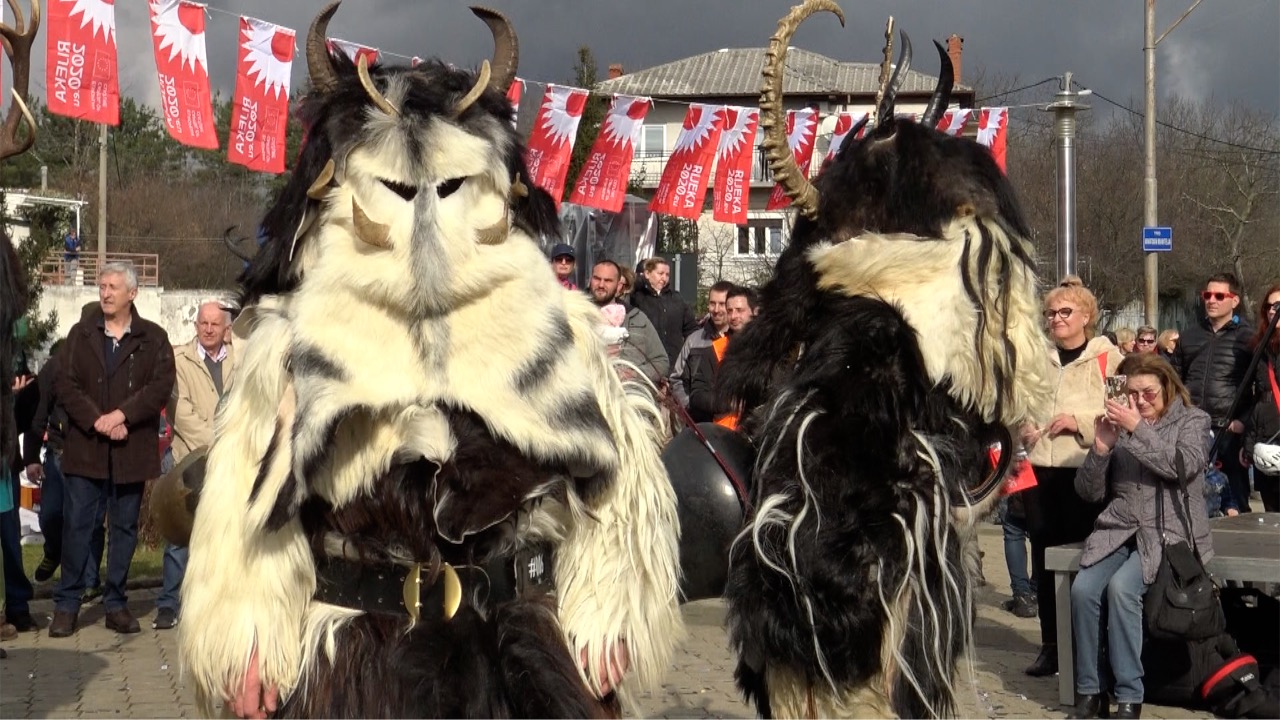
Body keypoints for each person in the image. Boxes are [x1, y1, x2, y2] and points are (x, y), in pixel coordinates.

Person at [1068, 352, 1212, 719]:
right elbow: (1087, 493)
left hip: (1169, 532)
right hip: (1119, 529)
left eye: (1148, 392)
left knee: (1122, 589)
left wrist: (1138, 429)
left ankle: (1129, 696)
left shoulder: (1193, 420)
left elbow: (1183, 466)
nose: (1139, 401)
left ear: (1167, 387)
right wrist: (1100, 450)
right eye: (1130, 393)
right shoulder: (1120, 424)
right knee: (1083, 590)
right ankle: (1090, 691)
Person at [49, 262, 176, 638]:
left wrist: (122, 414)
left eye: (113, 287)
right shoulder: (81, 334)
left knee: (123, 529)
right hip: (85, 451)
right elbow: (65, 385)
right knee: (77, 527)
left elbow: (159, 387)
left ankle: (116, 602)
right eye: (101, 286)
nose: (104, 293)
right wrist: (97, 420)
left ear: (132, 293)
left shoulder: (153, 338)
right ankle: (67, 604)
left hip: (131, 450)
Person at [1020, 276, 1122, 677]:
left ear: (1086, 316)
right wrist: (1024, 426)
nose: (1055, 319)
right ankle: (1051, 645)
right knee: (1044, 559)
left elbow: (1121, 409)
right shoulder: (1037, 357)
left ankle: (1089, 645)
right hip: (1040, 471)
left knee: (1085, 557)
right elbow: (1021, 401)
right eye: (1050, 313)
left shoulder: (1106, 358)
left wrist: (1077, 421)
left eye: (1065, 312)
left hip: (1086, 472)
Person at [157, 301, 235, 630]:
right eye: (202, 322)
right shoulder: (178, 360)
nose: (207, 329)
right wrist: (222, 436)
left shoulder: (241, 359)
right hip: (189, 459)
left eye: (214, 324)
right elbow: (180, 411)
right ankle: (167, 603)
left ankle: (217, 606)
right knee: (180, 539)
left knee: (225, 538)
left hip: (231, 461)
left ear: (226, 329)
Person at [1171, 273, 1255, 512]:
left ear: (1234, 300)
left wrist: (1243, 422)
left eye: (1219, 295)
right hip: (1192, 429)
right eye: (1207, 295)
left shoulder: (1248, 338)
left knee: (1235, 503)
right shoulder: (1189, 336)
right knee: (1192, 499)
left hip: (1229, 432)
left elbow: (1262, 388)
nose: (1212, 300)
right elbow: (1173, 382)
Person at [586, 261, 669, 386]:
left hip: (631, 397)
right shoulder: (576, 315)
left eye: (608, 280)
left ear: (619, 285)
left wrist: (634, 374)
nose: (601, 285)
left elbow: (661, 362)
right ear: (590, 279)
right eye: (597, 279)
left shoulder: (637, 318)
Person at [1244, 282, 1280, 512]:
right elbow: (1252, 397)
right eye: (1271, 306)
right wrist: (1248, 444)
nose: (1275, 310)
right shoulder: (1260, 347)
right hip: (1266, 437)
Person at [670, 280, 732, 409]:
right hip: (700, 421)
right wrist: (689, 406)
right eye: (712, 303)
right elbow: (677, 379)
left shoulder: (742, 340)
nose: (716, 310)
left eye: (722, 304)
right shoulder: (694, 340)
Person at [629, 257, 697, 368]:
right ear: (647, 274)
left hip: (674, 363)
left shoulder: (676, 298)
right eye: (660, 273)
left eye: (667, 275)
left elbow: (691, 328)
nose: (664, 278)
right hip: (646, 363)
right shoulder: (637, 297)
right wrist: (640, 281)